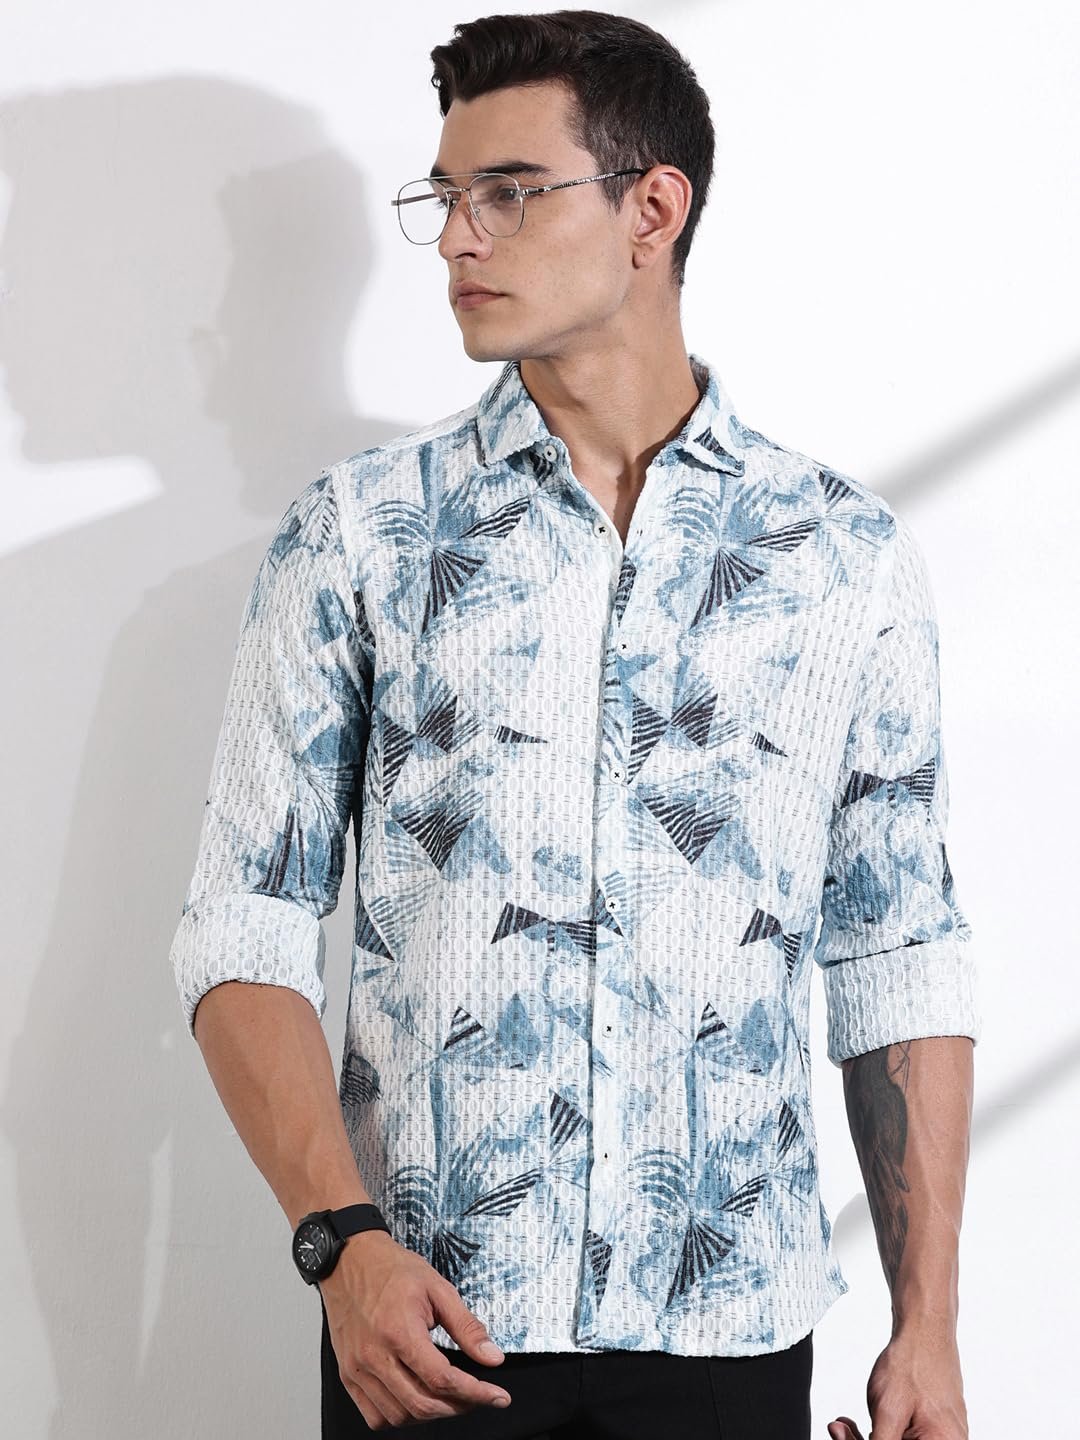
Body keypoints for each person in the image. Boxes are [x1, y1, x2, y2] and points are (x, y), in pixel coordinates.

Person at [168, 11, 981, 1439]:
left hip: (732, 1336)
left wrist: (929, 1327)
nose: (455, 239)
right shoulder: (360, 537)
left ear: (651, 210)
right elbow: (243, 927)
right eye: (444, 197)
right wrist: (340, 1247)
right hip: (430, 1330)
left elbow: (896, 954)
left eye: (508, 192)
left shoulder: (841, 559)